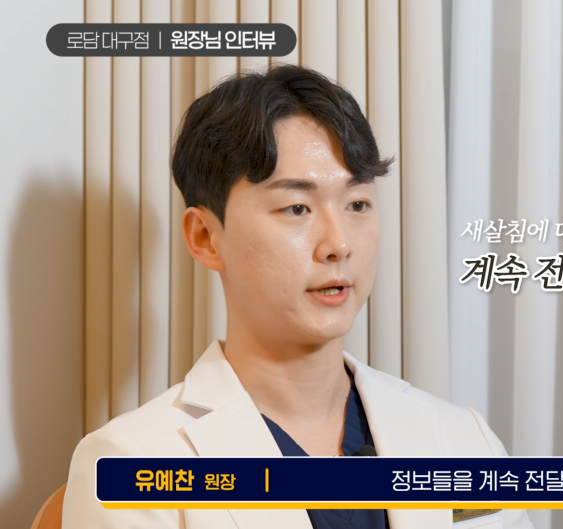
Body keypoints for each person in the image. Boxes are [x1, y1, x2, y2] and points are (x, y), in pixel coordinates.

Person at [62, 64, 533, 529]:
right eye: (296, 208)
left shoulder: (462, 440)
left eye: (357, 204)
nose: (339, 244)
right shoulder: (130, 459)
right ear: (205, 237)